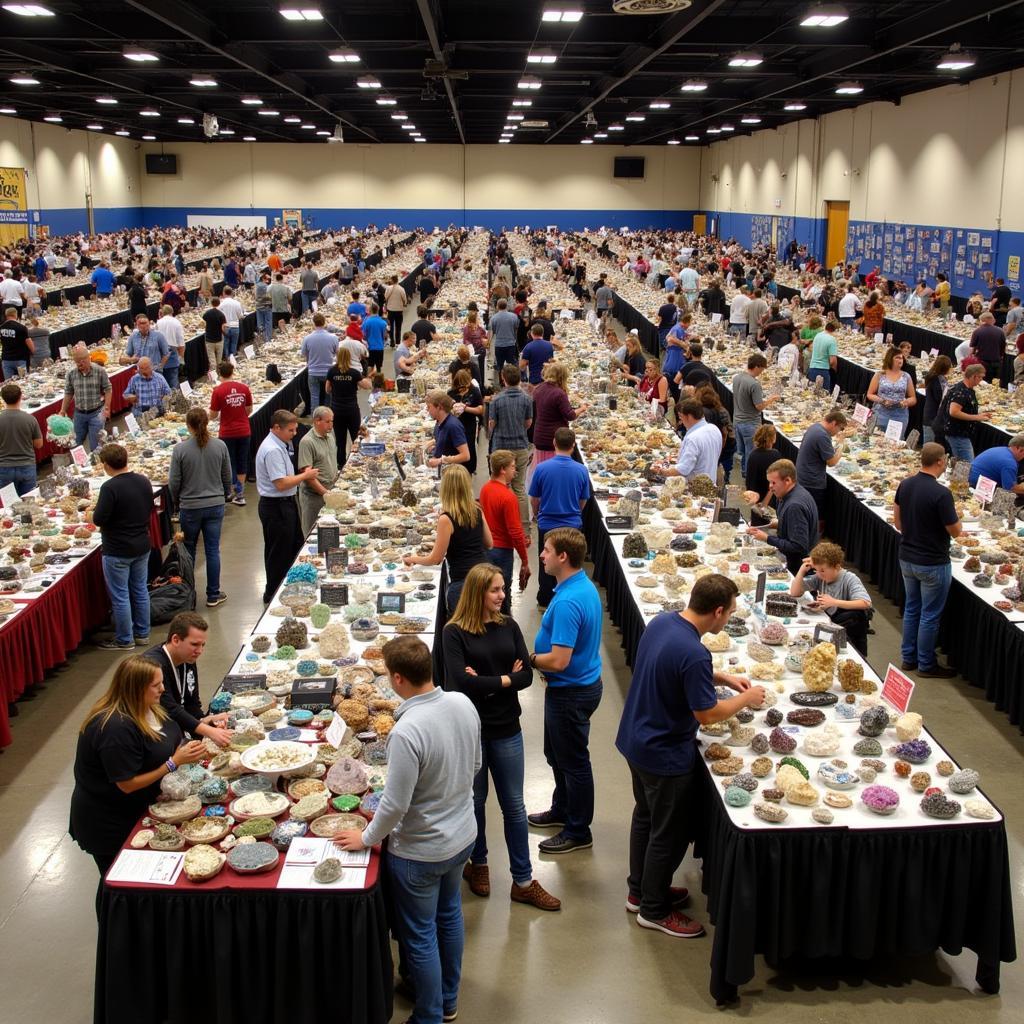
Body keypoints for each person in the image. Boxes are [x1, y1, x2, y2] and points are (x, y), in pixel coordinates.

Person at [333, 635, 480, 1024]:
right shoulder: (463, 704)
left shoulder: (407, 731)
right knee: (449, 915)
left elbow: (395, 805)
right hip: (463, 835)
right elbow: (475, 765)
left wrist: (365, 838)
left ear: (397, 679)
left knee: (419, 935)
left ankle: (429, 1014)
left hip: (421, 851)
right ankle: (448, 999)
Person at [616, 574, 764, 938]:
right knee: (668, 833)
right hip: (663, 754)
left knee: (646, 819)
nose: (729, 617)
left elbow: (672, 667)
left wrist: (720, 677)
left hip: (636, 739)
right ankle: (653, 909)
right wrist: (746, 698)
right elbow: (707, 715)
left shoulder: (665, 622)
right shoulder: (695, 652)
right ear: (716, 612)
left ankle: (641, 891)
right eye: (729, 612)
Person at [442, 564, 560, 912]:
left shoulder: (508, 625)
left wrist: (491, 682)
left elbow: (526, 674)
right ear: (479, 593)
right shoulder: (454, 632)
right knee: (474, 801)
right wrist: (506, 679)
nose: (502, 595)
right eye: (495, 590)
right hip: (471, 731)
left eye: (503, 589)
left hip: (507, 728)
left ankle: (522, 881)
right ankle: (477, 865)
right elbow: (461, 683)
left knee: (514, 806)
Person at [70, 656, 206, 914]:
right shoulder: (115, 729)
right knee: (117, 882)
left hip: (137, 807)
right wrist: (174, 763)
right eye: (156, 685)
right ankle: (114, 928)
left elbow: (169, 737)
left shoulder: (148, 706)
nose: (163, 689)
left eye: (162, 682)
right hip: (108, 822)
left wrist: (187, 746)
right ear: (136, 688)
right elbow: (127, 784)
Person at [527, 527, 603, 855]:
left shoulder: (571, 600)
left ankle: (578, 829)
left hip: (570, 692)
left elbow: (559, 660)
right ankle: (562, 808)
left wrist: (529, 659)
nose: (541, 555)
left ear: (563, 557)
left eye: (546, 550)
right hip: (571, 688)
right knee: (556, 755)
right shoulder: (576, 586)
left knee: (573, 762)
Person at [893, 443, 961, 678]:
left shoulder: (905, 484)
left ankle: (908, 658)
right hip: (932, 562)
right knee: (930, 615)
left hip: (907, 558)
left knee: (912, 609)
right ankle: (926, 664)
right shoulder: (941, 494)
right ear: (940, 461)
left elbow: (898, 524)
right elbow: (955, 531)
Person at [168, 408, 232, 608]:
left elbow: (174, 482)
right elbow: (227, 476)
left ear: (188, 426)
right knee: (213, 550)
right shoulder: (220, 446)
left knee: (188, 551)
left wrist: (177, 501)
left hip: (190, 507)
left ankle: (189, 597)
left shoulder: (180, 450)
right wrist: (223, 495)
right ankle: (213, 594)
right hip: (215, 505)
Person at [93, 444, 154, 650]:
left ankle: (125, 639)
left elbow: (99, 518)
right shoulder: (143, 481)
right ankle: (143, 634)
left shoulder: (109, 488)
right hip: (141, 545)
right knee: (140, 590)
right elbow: (149, 508)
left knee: (120, 596)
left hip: (118, 550)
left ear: (107, 466)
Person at [255, 410, 318, 604]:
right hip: (276, 507)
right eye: (290, 430)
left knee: (292, 548)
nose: (294, 434)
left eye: (295, 429)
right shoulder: (272, 449)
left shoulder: (280, 443)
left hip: (286, 504)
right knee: (278, 553)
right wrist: (306, 476)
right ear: (276, 428)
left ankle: (291, 589)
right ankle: (273, 594)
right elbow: (281, 483)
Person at [143, 612, 232, 747]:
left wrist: (205, 720)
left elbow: (192, 703)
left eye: (203, 645)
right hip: (156, 734)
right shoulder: (153, 665)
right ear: (176, 640)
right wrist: (207, 731)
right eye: (195, 644)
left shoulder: (188, 658)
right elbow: (170, 710)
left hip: (177, 729)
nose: (200, 650)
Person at [528, 427, 591, 608]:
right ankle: (569, 600)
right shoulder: (581, 470)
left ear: (554, 443)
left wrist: (538, 514)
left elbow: (534, 499)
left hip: (547, 524)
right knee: (570, 564)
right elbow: (583, 499)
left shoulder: (541, 469)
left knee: (546, 562)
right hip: (572, 526)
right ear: (573, 446)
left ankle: (546, 599)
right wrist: (575, 513)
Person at [789, 542, 873, 655]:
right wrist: (802, 571)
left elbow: (866, 603)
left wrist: (833, 602)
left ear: (837, 566)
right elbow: (794, 592)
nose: (819, 574)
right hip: (830, 630)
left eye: (822, 570)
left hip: (851, 636)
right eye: (816, 570)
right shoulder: (820, 577)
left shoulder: (850, 579)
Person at [746, 458, 819, 575]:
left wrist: (767, 538)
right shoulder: (790, 493)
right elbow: (792, 525)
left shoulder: (794, 506)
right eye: (769, 482)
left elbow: (798, 546)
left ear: (788, 480)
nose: (770, 486)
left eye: (773, 482)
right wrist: (769, 526)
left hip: (797, 568)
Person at [479, 449, 531, 613]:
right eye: (513, 467)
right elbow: (515, 532)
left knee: (487, 594)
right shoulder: (508, 497)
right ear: (503, 469)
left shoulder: (485, 489)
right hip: (502, 553)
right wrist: (525, 560)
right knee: (502, 597)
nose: (515, 471)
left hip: (486, 549)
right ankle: (504, 630)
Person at [487, 364, 533, 533]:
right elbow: (528, 423)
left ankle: (501, 527)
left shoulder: (496, 400)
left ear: (503, 379)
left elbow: (492, 425)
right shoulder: (527, 399)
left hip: (500, 449)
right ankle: (524, 528)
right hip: (520, 447)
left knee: (500, 488)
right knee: (519, 488)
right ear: (519, 379)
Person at [209, 360, 253, 506]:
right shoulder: (244, 388)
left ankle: (232, 491)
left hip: (227, 432)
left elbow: (213, 415)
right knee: (241, 461)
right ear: (232, 372)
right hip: (244, 430)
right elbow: (249, 410)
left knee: (229, 463)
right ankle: (240, 494)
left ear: (219, 374)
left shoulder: (218, 391)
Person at [531, 362, 588, 470]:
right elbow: (570, 415)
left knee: (543, 471)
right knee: (554, 472)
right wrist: (582, 409)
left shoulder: (539, 388)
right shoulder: (559, 393)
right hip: (554, 439)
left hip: (539, 435)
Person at [794, 408, 847, 524]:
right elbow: (831, 462)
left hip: (803, 475)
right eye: (840, 428)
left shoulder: (816, 427)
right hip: (812, 481)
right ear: (834, 423)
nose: (839, 432)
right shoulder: (822, 435)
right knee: (815, 514)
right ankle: (814, 537)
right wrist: (841, 448)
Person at [731, 353, 778, 476]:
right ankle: (748, 476)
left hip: (737, 421)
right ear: (757, 366)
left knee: (742, 452)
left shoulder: (737, 378)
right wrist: (771, 400)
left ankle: (743, 472)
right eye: (762, 369)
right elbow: (759, 406)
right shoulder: (754, 384)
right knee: (751, 454)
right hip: (750, 423)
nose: (761, 372)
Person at [654, 399, 722, 482]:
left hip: (694, 487)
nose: (681, 421)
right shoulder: (714, 429)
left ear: (689, 416)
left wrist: (661, 471)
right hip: (710, 481)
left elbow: (683, 469)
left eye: (681, 417)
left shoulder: (693, 438)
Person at [324, 347, 371, 468]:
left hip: (336, 409)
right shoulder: (354, 372)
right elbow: (366, 386)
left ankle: (341, 464)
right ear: (349, 357)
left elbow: (327, 389)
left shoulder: (332, 371)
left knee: (340, 439)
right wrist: (369, 377)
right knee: (357, 435)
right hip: (351, 409)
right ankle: (358, 460)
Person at [296, 406, 339, 535]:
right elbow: (308, 476)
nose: (331, 425)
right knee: (313, 533)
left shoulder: (330, 435)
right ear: (316, 421)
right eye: (327, 421)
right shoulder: (307, 442)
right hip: (313, 497)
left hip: (329, 491)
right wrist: (326, 494)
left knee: (330, 531)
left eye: (332, 421)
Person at [61, 343, 112, 449]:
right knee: (75, 444)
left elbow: (108, 389)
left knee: (96, 446)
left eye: (82, 363)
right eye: (77, 364)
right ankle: (79, 465)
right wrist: (63, 410)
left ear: (88, 359)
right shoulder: (71, 374)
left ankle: (96, 464)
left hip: (96, 413)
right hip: (79, 414)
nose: (80, 366)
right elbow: (69, 392)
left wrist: (107, 407)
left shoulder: (99, 371)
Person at [939, 363, 991, 464]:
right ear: (973, 376)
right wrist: (976, 417)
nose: (981, 380)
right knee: (967, 465)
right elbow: (953, 412)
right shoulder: (961, 391)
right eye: (980, 377)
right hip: (958, 434)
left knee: (960, 464)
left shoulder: (967, 389)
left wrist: (979, 414)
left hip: (960, 433)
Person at [0, 382, 42, 494]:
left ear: (3, 399)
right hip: (27, 466)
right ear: (20, 397)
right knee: (28, 504)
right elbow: (39, 444)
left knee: (7, 506)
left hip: (4, 468)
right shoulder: (30, 419)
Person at [866, 347, 916, 436]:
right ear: (890, 359)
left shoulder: (906, 376)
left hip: (900, 415)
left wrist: (906, 402)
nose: (900, 360)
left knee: (895, 444)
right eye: (897, 357)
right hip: (881, 414)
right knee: (876, 439)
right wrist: (882, 401)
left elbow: (913, 398)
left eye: (901, 358)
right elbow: (870, 394)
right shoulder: (879, 375)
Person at [300, 312, 339, 414]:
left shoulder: (307, 338)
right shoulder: (333, 338)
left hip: (313, 372)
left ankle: (315, 419)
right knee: (328, 396)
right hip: (328, 372)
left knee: (314, 396)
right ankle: (327, 417)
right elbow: (337, 353)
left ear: (314, 323)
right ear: (324, 322)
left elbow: (303, 354)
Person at [448, 369, 483, 477]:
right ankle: (456, 472)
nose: (463, 388)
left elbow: (480, 410)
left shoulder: (474, 391)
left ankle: (469, 472)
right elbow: (446, 410)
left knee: (469, 448)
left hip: (469, 426)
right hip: (454, 427)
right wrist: (452, 409)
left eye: (465, 384)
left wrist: (465, 408)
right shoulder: (451, 393)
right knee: (456, 448)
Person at [426, 390, 471, 470]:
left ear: (439, 407)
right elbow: (446, 440)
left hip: (453, 476)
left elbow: (465, 455)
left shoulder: (453, 426)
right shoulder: (439, 421)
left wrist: (440, 460)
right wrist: (434, 444)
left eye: (429, 407)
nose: (427, 410)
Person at [743, 424, 781, 506]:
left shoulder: (753, 455)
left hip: (755, 494)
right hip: (770, 496)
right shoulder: (775, 455)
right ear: (773, 439)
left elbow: (749, 478)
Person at [921, 355, 952, 446]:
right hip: (933, 417)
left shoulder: (934, 377)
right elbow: (941, 398)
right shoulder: (937, 380)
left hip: (930, 415)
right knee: (929, 445)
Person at [969, 311, 1007, 385]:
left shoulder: (977, 331)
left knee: (982, 384)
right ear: (991, 320)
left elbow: (972, 348)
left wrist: (971, 358)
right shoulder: (1000, 331)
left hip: (982, 362)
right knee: (995, 384)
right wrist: (1001, 357)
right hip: (997, 362)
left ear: (983, 321)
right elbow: (1003, 347)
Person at [488, 298, 520, 383]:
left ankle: (502, 382)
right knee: (511, 364)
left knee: (500, 365)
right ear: (507, 306)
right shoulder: (514, 316)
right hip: (510, 344)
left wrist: (488, 344)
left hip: (499, 345)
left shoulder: (494, 318)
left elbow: (492, 332)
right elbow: (516, 328)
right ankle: (512, 381)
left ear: (497, 306)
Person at [154, 304, 185, 390]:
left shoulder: (158, 322)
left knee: (161, 380)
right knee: (173, 380)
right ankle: (173, 400)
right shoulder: (176, 322)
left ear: (162, 312)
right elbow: (181, 342)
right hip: (172, 352)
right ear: (172, 312)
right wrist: (180, 358)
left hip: (160, 353)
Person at [520, 324, 560, 388]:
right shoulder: (550, 345)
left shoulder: (528, 347)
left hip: (534, 380)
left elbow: (522, 366)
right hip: (548, 378)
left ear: (532, 333)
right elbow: (560, 347)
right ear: (542, 333)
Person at [0, 306, 33, 379]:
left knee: (9, 383)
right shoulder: (21, 327)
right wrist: (33, 351)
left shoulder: (1, 327)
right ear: (16, 314)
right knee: (23, 381)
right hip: (20, 359)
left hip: (6, 359)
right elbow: (28, 342)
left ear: (6, 315)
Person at [808, 320, 839, 391]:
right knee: (823, 396)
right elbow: (833, 361)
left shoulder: (817, 335)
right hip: (823, 371)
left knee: (811, 393)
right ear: (834, 330)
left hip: (812, 368)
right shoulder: (832, 339)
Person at [201, 296, 226, 368]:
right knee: (219, 358)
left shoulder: (207, 313)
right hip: (219, 339)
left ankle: (214, 372)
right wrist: (224, 332)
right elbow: (223, 327)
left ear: (211, 303)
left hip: (209, 339)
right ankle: (220, 371)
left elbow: (203, 323)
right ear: (219, 303)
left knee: (211, 359)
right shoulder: (221, 314)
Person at [384, 274, 408, 346]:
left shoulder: (388, 288)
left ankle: (392, 341)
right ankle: (398, 342)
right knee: (398, 327)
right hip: (399, 310)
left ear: (392, 280)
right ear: (397, 280)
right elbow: (405, 299)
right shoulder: (401, 289)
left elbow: (385, 297)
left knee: (390, 326)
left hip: (390, 310)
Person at [254, 270, 273, 344]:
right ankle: (268, 338)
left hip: (258, 306)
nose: (268, 280)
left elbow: (255, 296)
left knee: (260, 323)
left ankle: (262, 337)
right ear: (263, 279)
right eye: (267, 279)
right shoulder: (266, 287)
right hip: (266, 306)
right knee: (268, 322)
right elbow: (270, 296)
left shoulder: (257, 285)